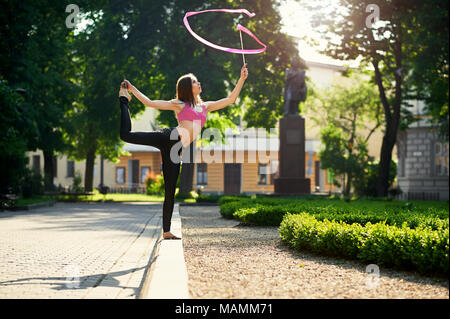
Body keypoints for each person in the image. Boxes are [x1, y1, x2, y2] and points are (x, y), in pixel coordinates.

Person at [118, 64, 248, 239]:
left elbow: (230, 99)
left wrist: (242, 78)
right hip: (168, 137)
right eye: (195, 82)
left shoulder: (205, 106)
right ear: (188, 88)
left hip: (176, 151)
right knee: (126, 135)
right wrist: (131, 89)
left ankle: (166, 231)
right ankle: (123, 100)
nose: (199, 83)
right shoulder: (180, 104)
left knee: (170, 190)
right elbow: (150, 103)